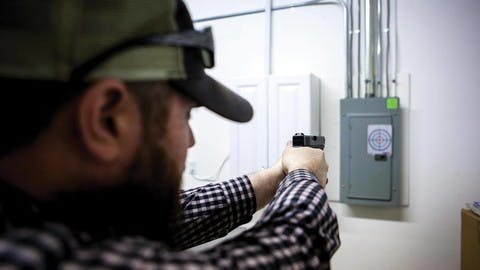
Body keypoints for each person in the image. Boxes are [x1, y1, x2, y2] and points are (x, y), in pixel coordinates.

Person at [0, 0, 340, 269]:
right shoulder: (34, 255)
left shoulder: (48, 210)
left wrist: (277, 174)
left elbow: (168, 218)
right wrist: (304, 176)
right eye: (186, 115)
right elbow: (286, 253)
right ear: (107, 120)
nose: (190, 139)